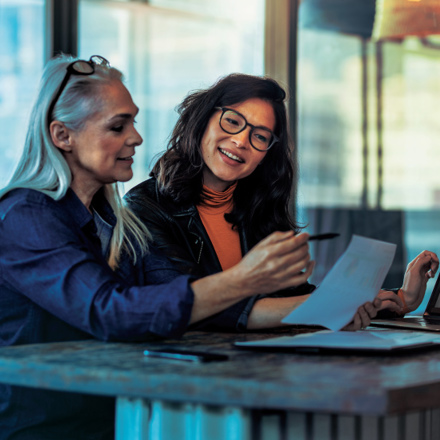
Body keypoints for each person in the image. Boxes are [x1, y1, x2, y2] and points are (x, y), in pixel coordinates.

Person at [0, 56, 324, 440]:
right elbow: (111, 312)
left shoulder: (115, 219)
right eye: (118, 126)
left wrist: (335, 307)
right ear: (62, 136)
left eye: (133, 122)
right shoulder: (25, 216)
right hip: (43, 429)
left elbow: (178, 303)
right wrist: (245, 277)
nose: (136, 137)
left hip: (117, 417)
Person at [123, 73, 439, 329]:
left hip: (261, 370)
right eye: (232, 121)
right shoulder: (144, 207)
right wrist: (330, 305)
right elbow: (194, 306)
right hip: (184, 377)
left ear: (266, 154)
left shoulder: (257, 209)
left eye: (260, 136)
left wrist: (399, 299)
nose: (241, 141)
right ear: (203, 119)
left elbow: (294, 298)